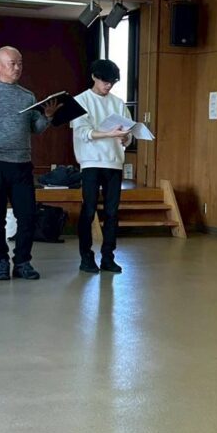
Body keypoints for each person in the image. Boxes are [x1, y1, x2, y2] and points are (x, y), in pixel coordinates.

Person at [0, 46, 60, 281]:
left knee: (27, 215)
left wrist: (48, 117)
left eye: (19, 63)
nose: (17, 68)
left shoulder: (28, 96)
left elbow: (36, 128)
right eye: (12, 63)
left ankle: (22, 262)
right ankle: (0, 261)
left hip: (21, 163)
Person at [71, 59, 131, 274]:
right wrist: (109, 133)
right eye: (105, 81)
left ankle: (108, 257)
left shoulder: (118, 103)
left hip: (114, 162)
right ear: (94, 77)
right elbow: (82, 132)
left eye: (112, 82)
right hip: (91, 162)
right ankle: (86, 257)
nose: (109, 85)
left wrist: (125, 138)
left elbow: (128, 133)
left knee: (112, 212)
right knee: (89, 210)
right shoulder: (80, 100)